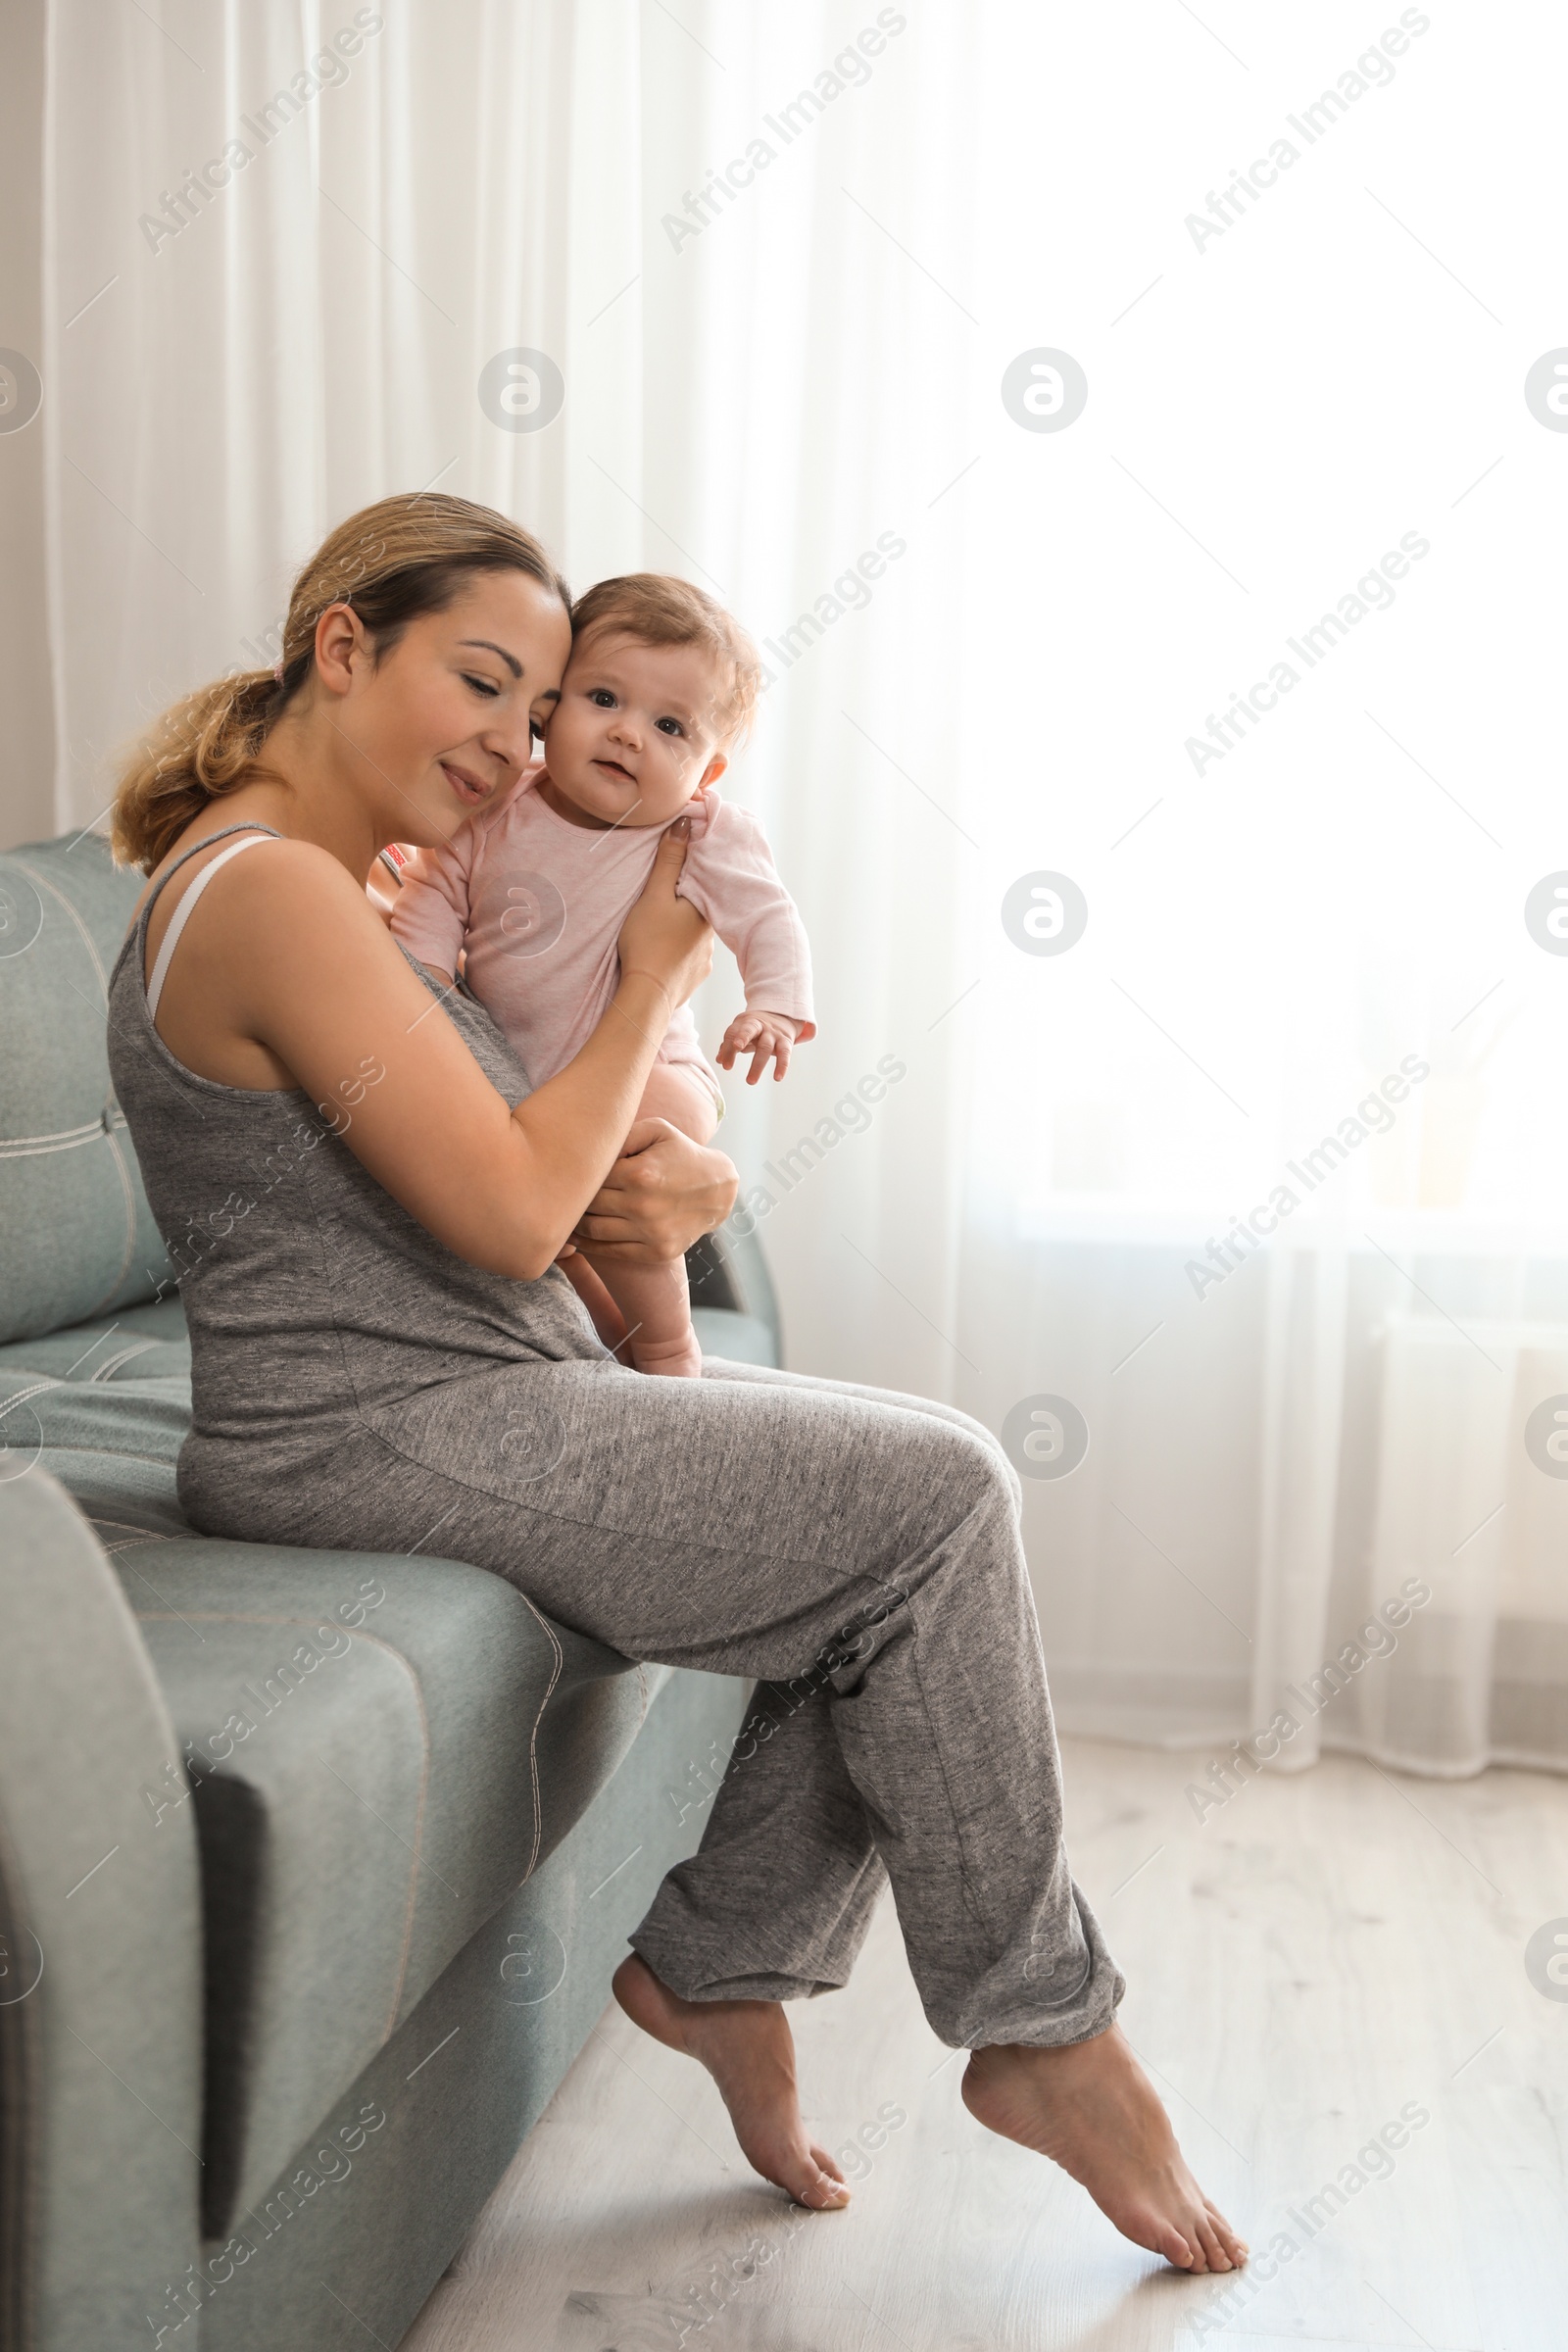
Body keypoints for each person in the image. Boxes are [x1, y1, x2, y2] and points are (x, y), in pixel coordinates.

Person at [106, 492, 1246, 2275]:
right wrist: (654, 975)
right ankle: (1039, 2031)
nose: (512, 745)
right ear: (343, 648)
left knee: (896, 1534)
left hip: (458, 1396)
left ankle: (719, 1970)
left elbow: (508, 1171)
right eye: (481, 684)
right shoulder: (269, 895)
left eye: (534, 704)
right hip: (372, 1430)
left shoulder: (341, 893)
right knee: (937, 1497)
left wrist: (696, 1180)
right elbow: (504, 1215)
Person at [390, 570, 812, 1377]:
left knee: (617, 1161)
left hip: (655, 1072)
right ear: (551, 710)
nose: (628, 736)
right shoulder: (496, 808)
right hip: (523, 1086)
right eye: (604, 700)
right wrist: (419, 983)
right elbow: (431, 898)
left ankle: (668, 1348)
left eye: (669, 726)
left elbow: (767, 917)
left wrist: (775, 1007)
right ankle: (604, 1341)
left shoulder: (701, 831)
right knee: (552, 1225)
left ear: (707, 770)